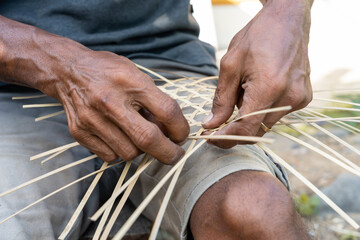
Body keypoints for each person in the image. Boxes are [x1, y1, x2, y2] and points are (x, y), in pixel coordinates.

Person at [0, 0, 313, 239]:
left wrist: (286, 12)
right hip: (16, 89)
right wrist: (62, 66)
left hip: (170, 75)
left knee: (255, 210)